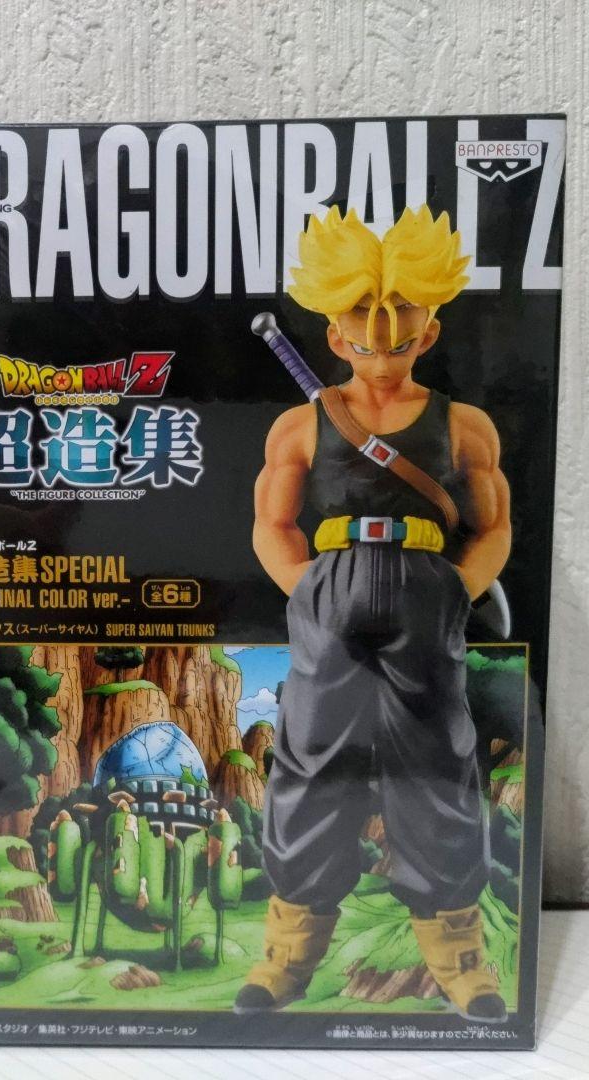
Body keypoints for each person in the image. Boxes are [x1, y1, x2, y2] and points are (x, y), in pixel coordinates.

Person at [236, 206, 512, 1022]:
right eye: (364, 339)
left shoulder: (463, 426)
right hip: (333, 592)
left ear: (429, 334)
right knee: (311, 766)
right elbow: (271, 522)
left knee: (437, 767)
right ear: (335, 335)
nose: (382, 356)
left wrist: (457, 590)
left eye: (400, 340)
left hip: (426, 592)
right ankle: (286, 959)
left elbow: (493, 526)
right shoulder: (302, 424)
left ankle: (460, 961)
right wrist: (307, 592)